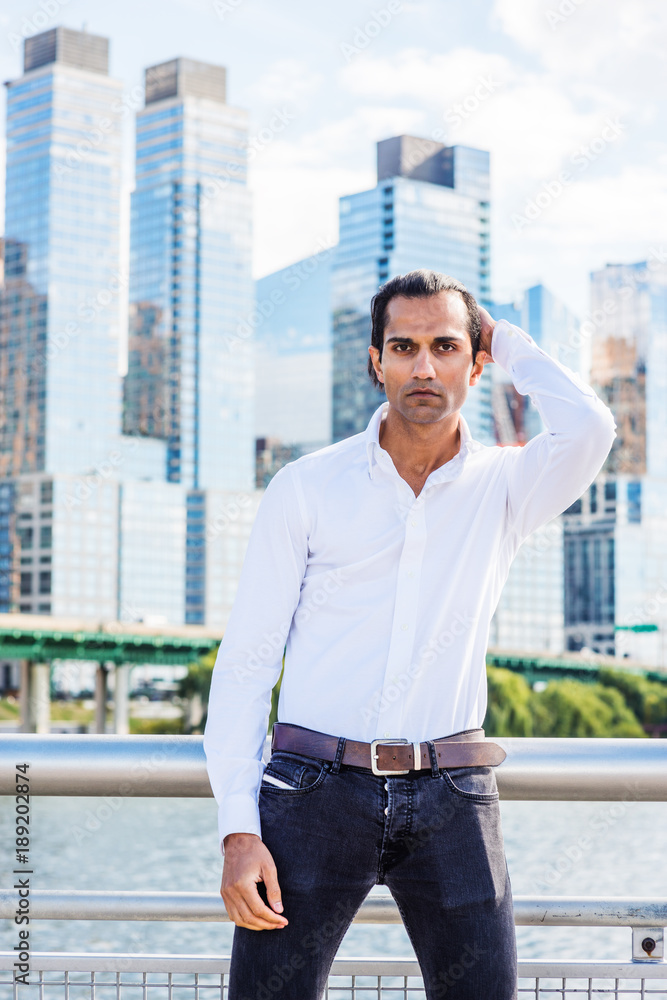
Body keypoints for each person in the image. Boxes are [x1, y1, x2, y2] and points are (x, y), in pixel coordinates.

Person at [203, 270, 616, 999]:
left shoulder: (508, 485)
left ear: (474, 361)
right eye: (403, 346)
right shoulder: (306, 486)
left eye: (445, 346)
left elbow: (590, 427)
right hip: (309, 795)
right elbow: (246, 664)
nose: (423, 367)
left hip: (453, 796)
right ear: (376, 361)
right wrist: (239, 829)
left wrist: (506, 340)